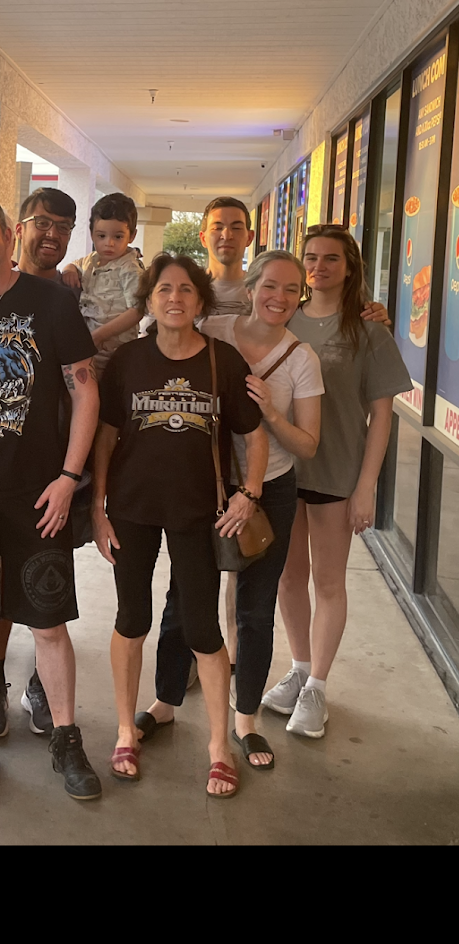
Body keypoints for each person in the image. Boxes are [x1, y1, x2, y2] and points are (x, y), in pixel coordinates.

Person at [0, 194, 102, 800]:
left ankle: (66, 739)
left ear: (9, 234)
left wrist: (69, 476)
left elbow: (84, 392)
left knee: (49, 621)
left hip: (37, 493)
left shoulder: (51, 302)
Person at [136, 251, 323, 770]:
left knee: (255, 607)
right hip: (203, 486)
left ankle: (246, 719)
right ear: (250, 289)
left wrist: (270, 413)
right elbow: (155, 330)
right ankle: (166, 701)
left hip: (269, 492)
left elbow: (308, 445)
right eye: (270, 286)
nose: (279, 298)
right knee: (183, 596)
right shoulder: (214, 328)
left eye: (292, 289)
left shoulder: (301, 358)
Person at [93, 252, 269, 796]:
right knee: (131, 619)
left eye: (186, 289)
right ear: (148, 300)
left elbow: (255, 435)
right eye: (164, 289)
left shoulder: (222, 360)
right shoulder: (128, 360)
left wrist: (250, 493)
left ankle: (218, 746)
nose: (175, 298)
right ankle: (126, 731)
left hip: (199, 513)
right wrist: (98, 506)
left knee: (202, 628)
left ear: (200, 300)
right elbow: (105, 435)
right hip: (131, 509)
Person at [263, 224, 410, 738]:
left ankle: (318, 688)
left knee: (328, 582)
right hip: (282, 469)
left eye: (330, 258)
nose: (318, 267)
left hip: (336, 472)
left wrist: (366, 486)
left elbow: (382, 416)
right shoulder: (284, 319)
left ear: (350, 267)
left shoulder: (369, 331)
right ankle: (299, 668)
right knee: (287, 577)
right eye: (311, 257)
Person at [0, 185, 78, 741]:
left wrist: (73, 474)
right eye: (43, 222)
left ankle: (41, 684)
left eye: (64, 227)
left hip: (59, 467)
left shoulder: (70, 294)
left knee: (47, 585)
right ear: (18, 229)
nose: (53, 234)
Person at [64, 192, 145, 375]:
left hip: (117, 352)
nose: (109, 243)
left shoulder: (130, 268)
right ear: (92, 234)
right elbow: (74, 264)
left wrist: (99, 336)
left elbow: (137, 310)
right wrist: (70, 269)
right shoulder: (90, 260)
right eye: (101, 236)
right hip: (88, 348)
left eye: (118, 237)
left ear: (132, 236)